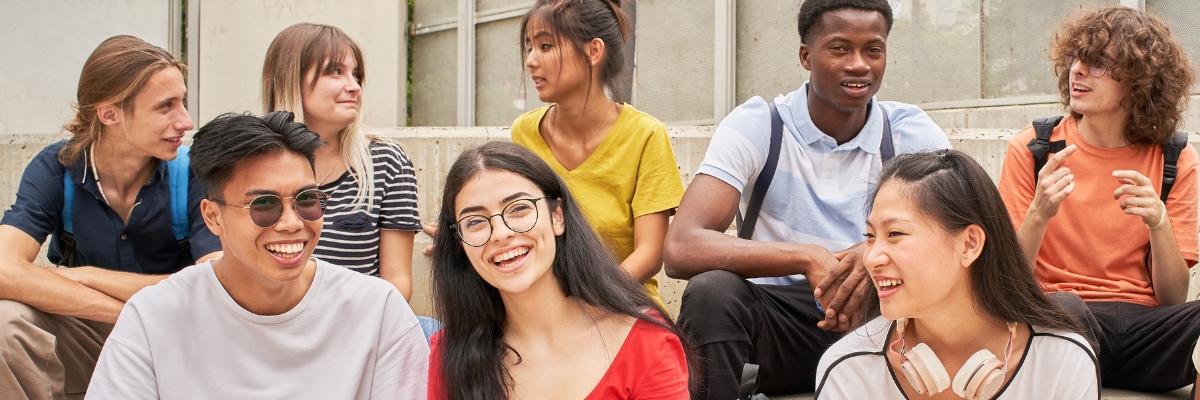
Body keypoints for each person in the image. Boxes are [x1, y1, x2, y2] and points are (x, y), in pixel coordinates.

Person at [661, 0, 952, 397]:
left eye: (873, 50)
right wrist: (807, 257)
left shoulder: (908, 132)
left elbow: (962, 236)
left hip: (878, 317)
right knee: (712, 292)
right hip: (780, 325)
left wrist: (874, 253)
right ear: (806, 56)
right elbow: (681, 246)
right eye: (839, 49)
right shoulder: (761, 125)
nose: (859, 65)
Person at [85, 112, 429, 399]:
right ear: (212, 217)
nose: (292, 223)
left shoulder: (378, 312)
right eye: (264, 205)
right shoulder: (153, 318)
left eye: (307, 200)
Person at [0, 35, 221, 400]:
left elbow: (215, 285)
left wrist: (84, 276)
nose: (186, 120)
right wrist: (123, 312)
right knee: (5, 323)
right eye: (166, 106)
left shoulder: (194, 172)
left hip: (177, 340)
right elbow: (5, 270)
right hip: (93, 336)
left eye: (182, 101)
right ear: (109, 114)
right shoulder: (56, 169)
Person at [997, 6, 1200, 393]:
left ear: (1140, 78)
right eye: (1074, 59)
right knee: (1066, 306)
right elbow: (1007, 281)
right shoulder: (1035, 148)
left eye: (1098, 63)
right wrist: (1039, 212)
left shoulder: (1176, 158)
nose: (1077, 70)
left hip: (1147, 331)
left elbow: (1173, 299)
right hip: (1065, 321)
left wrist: (1158, 221)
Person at [815, 150, 1098, 399]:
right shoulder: (849, 368)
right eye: (870, 236)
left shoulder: (1063, 361)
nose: (872, 258)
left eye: (895, 234)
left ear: (969, 244)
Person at [427, 141, 692, 399]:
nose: (501, 233)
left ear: (557, 217)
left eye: (519, 208)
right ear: (460, 242)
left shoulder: (646, 342)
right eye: (475, 222)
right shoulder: (449, 354)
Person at [502, 0, 685, 308]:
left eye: (545, 46)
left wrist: (589, 302)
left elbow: (650, 253)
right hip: (545, 309)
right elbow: (515, 220)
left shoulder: (645, 135)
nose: (531, 61)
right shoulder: (525, 133)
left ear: (593, 51)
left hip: (623, 305)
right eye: (529, 47)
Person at [261, 23, 423, 301]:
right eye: (336, 71)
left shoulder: (387, 162)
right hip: (268, 319)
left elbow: (396, 281)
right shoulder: (249, 162)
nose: (354, 87)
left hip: (358, 319)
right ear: (291, 78)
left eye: (356, 75)